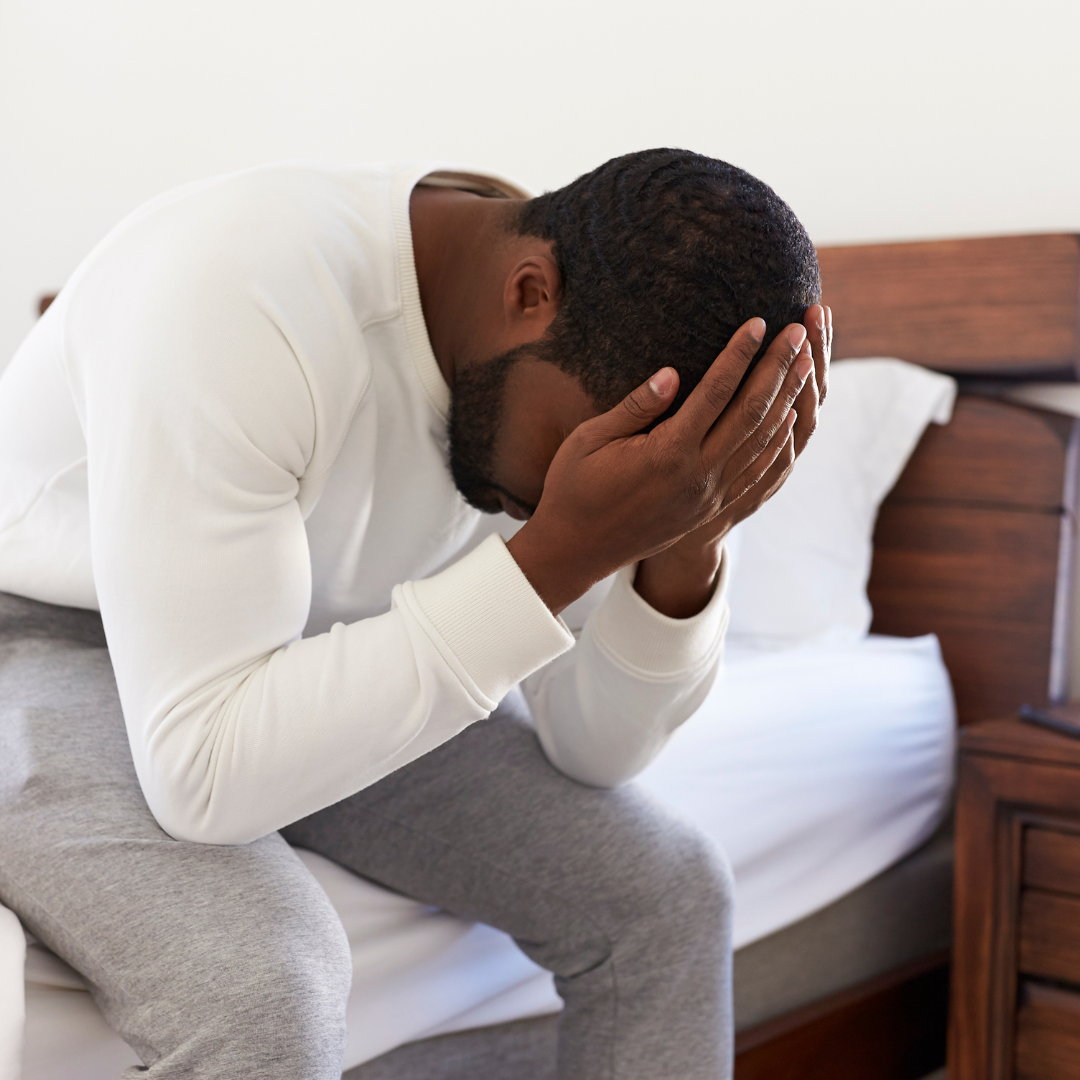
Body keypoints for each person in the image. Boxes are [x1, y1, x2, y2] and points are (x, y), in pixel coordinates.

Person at [0, 148, 829, 1079]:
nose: (576, 495)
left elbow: (593, 749)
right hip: (42, 633)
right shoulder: (235, 292)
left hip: (314, 642)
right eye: (576, 458)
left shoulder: (622, 372)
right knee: (264, 987)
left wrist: (688, 537)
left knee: (668, 896)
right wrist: (563, 550)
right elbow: (206, 776)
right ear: (530, 293)